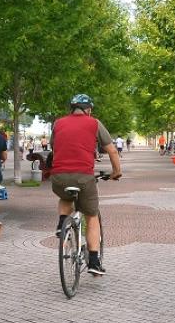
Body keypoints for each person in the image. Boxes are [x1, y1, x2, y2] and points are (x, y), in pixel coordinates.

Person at [49, 94, 122, 276]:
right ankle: (95, 262)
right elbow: (112, 150)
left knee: (65, 196)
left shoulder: (58, 123)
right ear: (88, 109)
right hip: (84, 177)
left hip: (58, 177)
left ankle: (61, 225)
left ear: (71, 108)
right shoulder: (94, 123)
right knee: (91, 216)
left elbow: (54, 146)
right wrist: (116, 172)